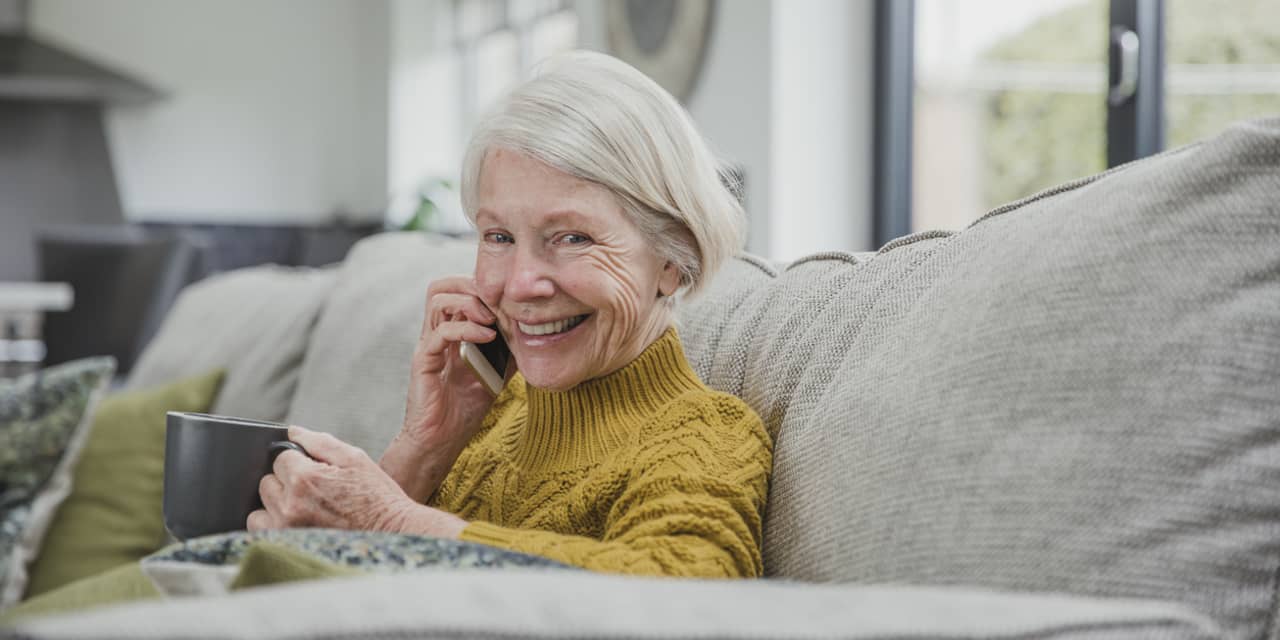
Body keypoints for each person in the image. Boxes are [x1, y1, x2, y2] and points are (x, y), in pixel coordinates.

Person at [246, 50, 773, 578]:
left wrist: (391, 519)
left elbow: (690, 596)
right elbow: (338, 603)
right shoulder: (488, 412)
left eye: (571, 237)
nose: (520, 285)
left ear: (673, 261)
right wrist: (423, 447)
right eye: (498, 236)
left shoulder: (706, 434)